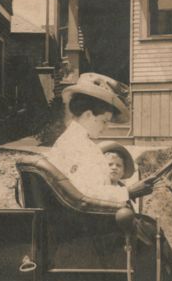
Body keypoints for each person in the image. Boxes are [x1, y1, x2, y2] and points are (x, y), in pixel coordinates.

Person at [49, 73, 153, 203]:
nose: (106, 128)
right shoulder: (75, 145)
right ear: (88, 115)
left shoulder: (77, 141)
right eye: (104, 121)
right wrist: (128, 192)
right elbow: (84, 192)